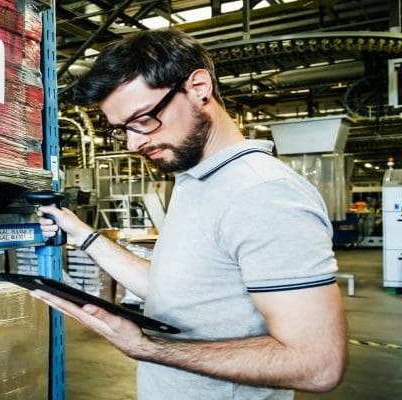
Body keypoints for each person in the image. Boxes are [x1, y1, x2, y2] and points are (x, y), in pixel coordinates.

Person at [32, 28, 346, 399]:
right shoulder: (196, 179)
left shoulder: (263, 193)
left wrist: (147, 347)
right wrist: (81, 234)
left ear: (198, 88)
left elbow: (317, 364)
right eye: (122, 130)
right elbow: (177, 292)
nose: (133, 142)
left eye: (143, 119)